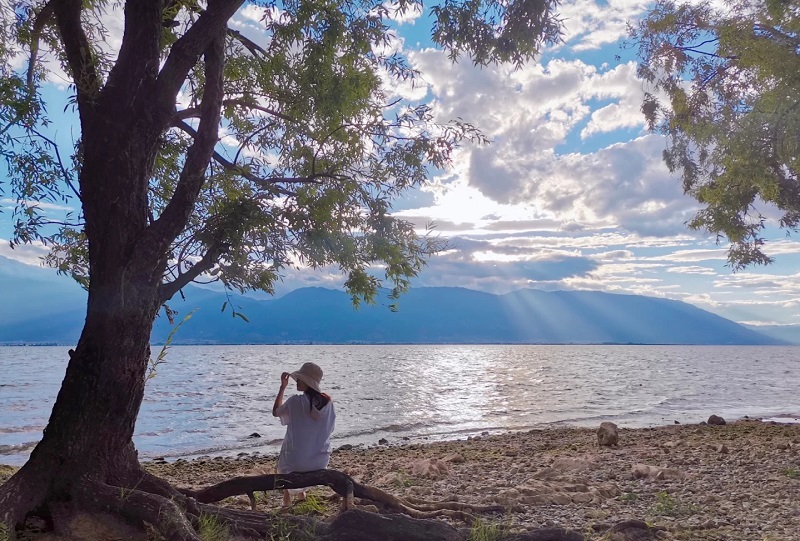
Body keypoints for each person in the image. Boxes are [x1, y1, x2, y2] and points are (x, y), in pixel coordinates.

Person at [272, 361, 336, 507]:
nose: (297, 381)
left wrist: (282, 387)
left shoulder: (295, 401)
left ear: (308, 382)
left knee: (288, 444)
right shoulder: (328, 403)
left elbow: (276, 412)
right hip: (320, 461)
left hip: (297, 464)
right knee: (306, 438)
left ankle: (286, 498)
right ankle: (301, 494)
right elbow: (330, 429)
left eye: (300, 379)